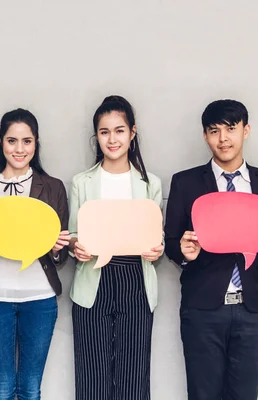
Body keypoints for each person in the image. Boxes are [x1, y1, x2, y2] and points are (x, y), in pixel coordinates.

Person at [164, 99, 258, 400]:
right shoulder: (186, 183)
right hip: (203, 309)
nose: (223, 139)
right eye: (214, 131)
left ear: (246, 131)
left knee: (245, 395)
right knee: (202, 394)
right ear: (205, 135)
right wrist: (183, 251)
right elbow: (170, 241)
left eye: (231, 129)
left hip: (253, 308)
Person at [0, 108, 70, 400]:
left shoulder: (53, 187)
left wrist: (59, 249)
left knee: (31, 388)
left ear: (36, 144)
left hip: (39, 298)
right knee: (3, 388)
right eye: (12, 141)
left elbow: (61, 257)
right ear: (1, 142)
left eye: (27, 141)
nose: (19, 149)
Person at [68, 96, 164, 400]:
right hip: (92, 279)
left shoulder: (150, 183)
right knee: (92, 376)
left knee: (134, 377)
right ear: (96, 136)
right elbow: (72, 233)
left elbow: (155, 236)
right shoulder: (82, 182)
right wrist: (75, 247)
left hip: (135, 278)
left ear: (132, 133)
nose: (112, 139)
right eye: (104, 131)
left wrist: (157, 250)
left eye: (119, 130)